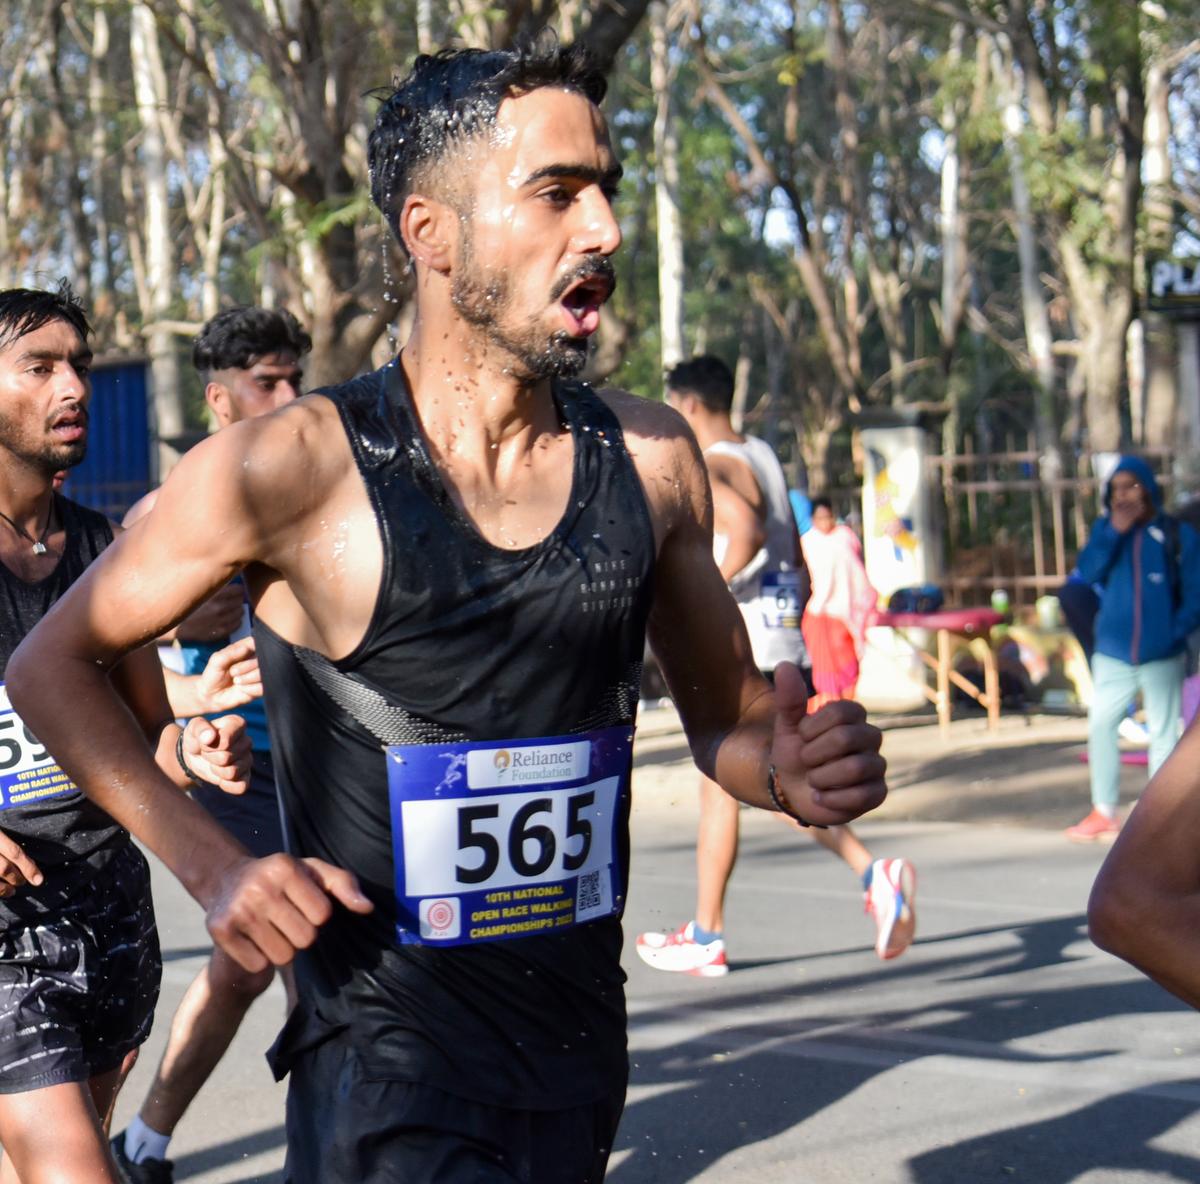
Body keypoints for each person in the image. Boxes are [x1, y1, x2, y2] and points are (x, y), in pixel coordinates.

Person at [7, 43, 888, 1182]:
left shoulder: (653, 460)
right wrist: (215, 866)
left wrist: (792, 767)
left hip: (577, 1051)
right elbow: (51, 663)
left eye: (608, 187)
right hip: (386, 1065)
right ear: (431, 232)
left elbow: (731, 719)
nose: (605, 229)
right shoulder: (291, 467)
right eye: (558, 191)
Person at [0, 282, 250, 1184]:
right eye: (40, 367)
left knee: (72, 1150)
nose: (73, 387)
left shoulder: (106, 548)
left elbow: (148, 734)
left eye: (80, 366)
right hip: (6, 930)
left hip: (110, 914)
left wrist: (199, 748)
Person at [111, 307, 310, 1184]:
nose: (290, 394)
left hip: (329, 760)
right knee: (310, 950)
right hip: (235, 763)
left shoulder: (317, 483)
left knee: (248, 964)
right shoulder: (170, 506)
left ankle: (146, 1143)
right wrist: (176, 617)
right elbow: (89, 644)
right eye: (269, 381)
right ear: (219, 399)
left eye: (295, 376)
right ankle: (346, 1150)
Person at [636, 359, 915, 976]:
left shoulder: (715, 461)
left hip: (745, 647)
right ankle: (867, 876)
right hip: (782, 643)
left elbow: (745, 527)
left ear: (687, 402)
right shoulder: (761, 451)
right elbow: (795, 558)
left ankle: (711, 933)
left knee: (723, 778)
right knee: (772, 783)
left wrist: (703, 592)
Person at [1066, 456, 1200, 842]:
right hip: (1113, 653)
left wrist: (1174, 633)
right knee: (1101, 723)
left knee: (1163, 734)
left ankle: (1158, 817)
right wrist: (1113, 532)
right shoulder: (1107, 531)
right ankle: (1103, 810)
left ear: (1148, 488)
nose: (1124, 495)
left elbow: (1194, 593)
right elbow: (1086, 573)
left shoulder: (1176, 535)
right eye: (1117, 489)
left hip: (1163, 653)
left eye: (1132, 486)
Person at [801, 496, 878, 710]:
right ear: (813, 519)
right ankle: (825, 714)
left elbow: (857, 575)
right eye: (820, 518)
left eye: (828, 517)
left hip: (845, 614)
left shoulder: (845, 537)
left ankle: (845, 709)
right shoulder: (807, 542)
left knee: (848, 666)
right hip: (818, 613)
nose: (825, 522)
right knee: (822, 671)